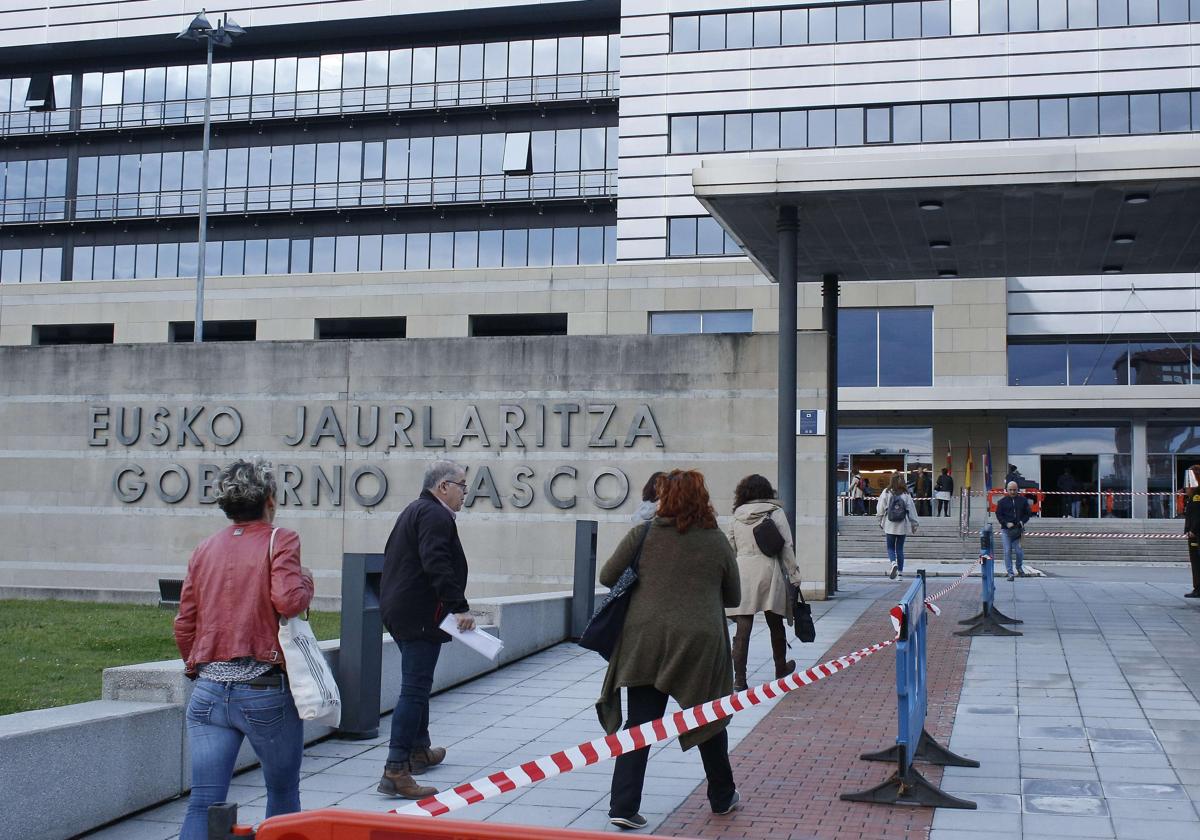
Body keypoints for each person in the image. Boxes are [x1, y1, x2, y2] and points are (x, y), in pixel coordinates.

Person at [173, 459, 314, 840]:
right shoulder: (280, 538)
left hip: (208, 694)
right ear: (270, 499)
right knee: (283, 793)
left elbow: (185, 622)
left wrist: (200, 671)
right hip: (264, 690)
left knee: (203, 801)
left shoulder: (204, 549)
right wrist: (306, 582)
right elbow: (288, 601)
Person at [596, 470, 741, 830]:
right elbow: (734, 596)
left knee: (640, 724)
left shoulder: (643, 534)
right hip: (699, 643)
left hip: (646, 641)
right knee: (706, 720)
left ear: (665, 498)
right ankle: (722, 797)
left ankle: (623, 806)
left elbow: (607, 576)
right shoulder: (716, 540)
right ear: (701, 498)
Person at [377, 460, 475, 799]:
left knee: (418, 683)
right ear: (443, 486)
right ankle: (395, 769)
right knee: (414, 689)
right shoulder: (434, 515)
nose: (466, 493)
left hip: (402, 610)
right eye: (462, 485)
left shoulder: (416, 510)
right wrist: (459, 606)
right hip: (419, 613)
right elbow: (436, 562)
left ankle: (419, 750)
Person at [726, 474, 802, 692]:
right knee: (775, 622)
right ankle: (780, 669)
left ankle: (739, 679)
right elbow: (786, 546)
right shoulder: (774, 512)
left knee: (743, 626)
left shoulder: (736, 516)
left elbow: (730, 548)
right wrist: (794, 574)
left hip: (743, 571)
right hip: (769, 569)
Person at [877, 473, 919, 579]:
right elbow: (911, 510)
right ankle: (900, 573)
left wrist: (880, 519)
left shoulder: (886, 492)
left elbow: (881, 508)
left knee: (890, 548)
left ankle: (893, 563)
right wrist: (914, 524)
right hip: (902, 525)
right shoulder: (906, 494)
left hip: (890, 523)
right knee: (899, 549)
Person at [996, 481, 1032, 581]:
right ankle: (1010, 573)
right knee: (1007, 551)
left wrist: (1022, 522)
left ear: (1017, 490)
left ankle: (1019, 567)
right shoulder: (1002, 502)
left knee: (1019, 552)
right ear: (1007, 490)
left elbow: (1028, 513)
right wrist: (1005, 523)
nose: (1012, 492)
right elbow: (999, 515)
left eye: (1014, 490)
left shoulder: (1023, 500)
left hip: (1018, 531)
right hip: (1006, 531)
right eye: (1010, 490)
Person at [1184, 467, 1200, 598]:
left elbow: (1197, 515)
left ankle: (1198, 588)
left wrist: (1193, 530)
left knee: (1196, 562)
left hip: (1196, 535)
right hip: (1194, 534)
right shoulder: (1194, 495)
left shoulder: (1197, 496)